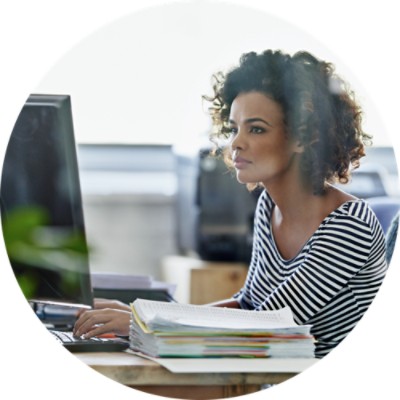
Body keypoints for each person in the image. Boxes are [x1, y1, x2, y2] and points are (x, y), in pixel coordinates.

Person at [73, 49, 388, 358]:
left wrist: (144, 325)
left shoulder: (349, 224)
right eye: (234, 128)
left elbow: (269, 326)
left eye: (256, 129)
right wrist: (143, 317)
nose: (235, 142)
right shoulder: (269, 206)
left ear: (303, 138)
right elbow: (247, 304)